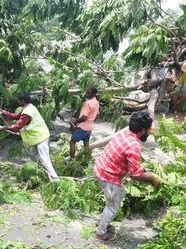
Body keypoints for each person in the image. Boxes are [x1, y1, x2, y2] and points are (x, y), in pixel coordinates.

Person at [93, 111, 161, 242]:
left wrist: (140, 168)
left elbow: (130, 165)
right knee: (112, 206)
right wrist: (152, 179)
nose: (149, 133)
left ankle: (102, 220)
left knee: (120, 194)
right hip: (108, 176)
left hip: (101, 169)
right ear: (142, 130)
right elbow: (135, 176)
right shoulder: (134, 145)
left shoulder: (125, 134)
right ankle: (100, 233)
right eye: (148, 130)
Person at [0, 92, 60, 182]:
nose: (17, 102)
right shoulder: (28, 107)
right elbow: (16, 116)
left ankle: (56, 180)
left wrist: (2, 128)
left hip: (41, 138)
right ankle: (39, 176)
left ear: (22, 101)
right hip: (36, 138)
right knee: (34, 159)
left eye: (18, 100)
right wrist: (5, 113)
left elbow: (17, 127)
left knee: (45, 160)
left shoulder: (27, 112)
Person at [67, 87, 99, 160]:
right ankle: (87, 159)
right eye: (86, 92)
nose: (86, 94)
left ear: (94, 94)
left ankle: (72, 160)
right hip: (89, 127)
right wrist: (91, 121)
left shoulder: (88, 103)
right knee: (86, 144)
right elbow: (97, 115)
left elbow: (84, 118)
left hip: (83, 127)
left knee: (72, 142)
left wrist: (75, 121)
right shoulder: (96, 102)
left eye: (88, 93)